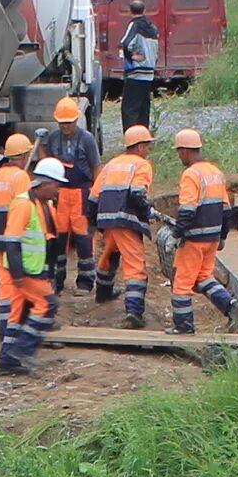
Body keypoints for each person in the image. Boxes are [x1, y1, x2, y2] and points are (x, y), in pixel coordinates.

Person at [0, 157, 67, 376]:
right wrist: (18, 273)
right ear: (44, 183)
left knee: (16, 315)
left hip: (31, 269)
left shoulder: (40, 204)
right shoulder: (24, 204)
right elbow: (12, 240)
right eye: (56, 185)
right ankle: (23, 350)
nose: (58, 191)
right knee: (47, 304)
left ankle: (8, 360)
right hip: (24, 271)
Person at [167, 127, 238, 335]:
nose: (179, 155)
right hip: (213, 237)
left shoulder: (191, 175)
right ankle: (231, 307)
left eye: (179, 151)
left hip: (194, 238)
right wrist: (223, 236)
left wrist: (177, 234)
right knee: (204, 277)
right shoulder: (215, 172)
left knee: (182, 283)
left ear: (185, 151)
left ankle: (183, 326)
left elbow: (187, 211)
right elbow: (226, 210)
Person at [38, 96, 104, 318]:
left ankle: (85, 281)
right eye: (62, 123)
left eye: (69, 122)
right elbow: (45, 162)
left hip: (81, 193)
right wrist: (41, 147)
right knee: (58, 238)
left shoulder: (86, 140)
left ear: (76, 120)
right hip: (60, 195)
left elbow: (96, 166)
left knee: (84, 238)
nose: (66, 127)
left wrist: (96, 194)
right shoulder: (54, 139)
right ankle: (57, 281)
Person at [91, 123, 157, 328]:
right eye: (147, 146)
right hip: (126, 219)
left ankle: (103, 291)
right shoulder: (142, 165)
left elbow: (93, 196)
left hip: (106, 218)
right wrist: (147, 212)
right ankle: (134, 312)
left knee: (110, 252)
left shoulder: (111, 164)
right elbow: (137, 193)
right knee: (135, 265)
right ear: (139, 147)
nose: (147, 150)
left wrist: (93, 222)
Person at [0, 133, 36, 327]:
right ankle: (22, 323)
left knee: (5, 283)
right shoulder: (20, 177)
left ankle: (5, 324)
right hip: (18, 238)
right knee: (22, 279)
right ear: (23, 156)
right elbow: (26, 207)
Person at [119, 0, 162, 133]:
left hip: (136, 74)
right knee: (144, 110)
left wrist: (130, 57)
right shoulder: (153, 28)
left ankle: (132, 140)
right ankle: (143, 139)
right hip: (149, 75)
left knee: (129, 109)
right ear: (144, 11)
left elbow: (126, 43)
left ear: (130, 11)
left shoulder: (135, 25)